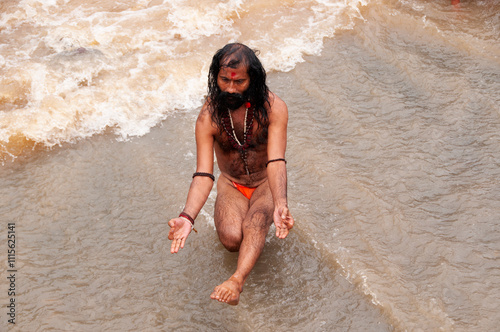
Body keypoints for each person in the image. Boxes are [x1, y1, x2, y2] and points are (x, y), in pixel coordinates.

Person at [167, 43, 294, 305]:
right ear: (216, 78)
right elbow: (203, 174)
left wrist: (280, 203)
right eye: (224, 80)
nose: (231, 88)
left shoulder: (274, 108)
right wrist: (187, 216)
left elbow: (276, 160)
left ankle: (236, 280)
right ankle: (249, 246)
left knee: (256, 222)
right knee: (232, 239)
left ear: (253, 79)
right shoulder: (208, 117)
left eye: (239, 82)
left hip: (265, 182)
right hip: (232, 184)